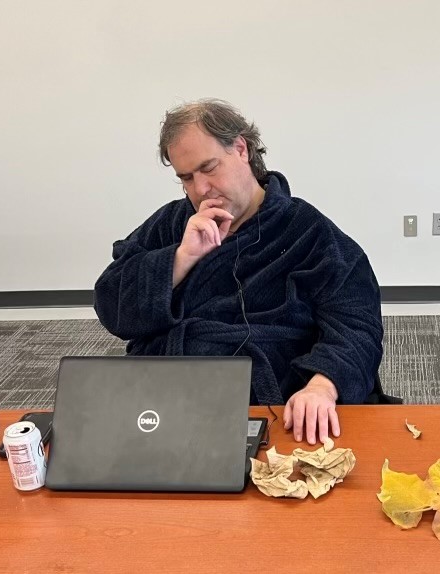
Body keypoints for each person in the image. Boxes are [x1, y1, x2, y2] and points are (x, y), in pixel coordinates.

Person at [94, 99, 383, 445]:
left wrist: (322, 386)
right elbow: (111, 305)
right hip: (166, 400)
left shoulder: (308, 231)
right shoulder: (172, 224)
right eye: (186, 178)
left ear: (241, 149)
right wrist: (180, 258)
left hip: (266, 403)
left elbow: (357, 322)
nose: (200, 189)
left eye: (209, 168)